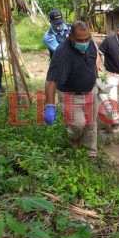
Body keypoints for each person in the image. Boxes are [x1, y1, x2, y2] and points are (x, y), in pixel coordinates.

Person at [44, 21, 101, 160]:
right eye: (80, 40)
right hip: (70, 95)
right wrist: (50, 106)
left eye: (87, 39)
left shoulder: (90, 44)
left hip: (90, 92)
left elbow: (95, 58)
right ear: (71, 37)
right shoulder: (62, 53)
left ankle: (90, 153)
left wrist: (97, 77)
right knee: (78, 124)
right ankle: (72, 136)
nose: (84, 42)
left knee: (91, 124)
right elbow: (51, 80)